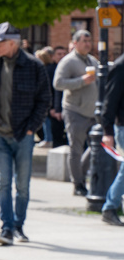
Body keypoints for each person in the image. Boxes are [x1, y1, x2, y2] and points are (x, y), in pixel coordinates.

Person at [0, 22, 50, 246]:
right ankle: (6, 227)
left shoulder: (34, 66)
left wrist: (32, 127)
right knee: (3, 182)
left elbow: (44, 100)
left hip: (23, 135)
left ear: (12, 43)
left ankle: (19, 225)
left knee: (22, 185)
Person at [53, 30, 98, 197]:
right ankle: (77, 183)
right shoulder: (68, 61)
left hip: (93, 112)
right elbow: (58, 83)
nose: (88, 44)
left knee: (97, 145)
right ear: (76, 43)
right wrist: (81, 81)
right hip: (75, 111)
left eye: (89, 40)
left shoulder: (92, 60)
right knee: (76, 148)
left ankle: (82, 174)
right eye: (84, 41)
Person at [100, 52, 124, 226]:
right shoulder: (120, 66)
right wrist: (107, 130)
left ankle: (110, 206)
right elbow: (110, 100)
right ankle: (109, 207)